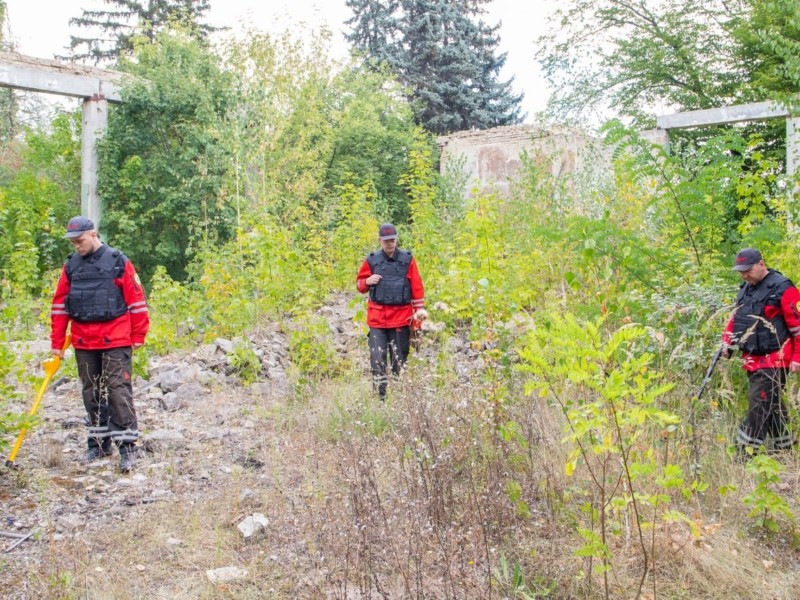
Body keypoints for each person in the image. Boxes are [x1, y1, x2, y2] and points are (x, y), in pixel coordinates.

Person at [50, 216, 149, 472]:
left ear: (93, 234)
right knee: (91, 391)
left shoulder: (117, 261)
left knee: (118, 390)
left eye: (79, 240)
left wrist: (138, 335)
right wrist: (57, 344)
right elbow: (60, 306)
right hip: (84, 341)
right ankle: (97, 444)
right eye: (72, 242)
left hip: (116, 338)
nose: (76, 246)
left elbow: (136, 301)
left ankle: (127, 448)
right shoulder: (71, 266)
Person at [722, 248, 800, 458]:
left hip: (776, 359)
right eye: (740, 271)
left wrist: (797, 357)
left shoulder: (784, 288)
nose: (744, 275)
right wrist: (727, 344)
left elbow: (798, 327)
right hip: (750, 358)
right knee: (771, 403)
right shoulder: (746, 289)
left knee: (759, 404)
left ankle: (744, 453)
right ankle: (784, 449)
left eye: (747, 270)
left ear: (761, 264)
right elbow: (735, 319)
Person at [356, 223, 427, 400]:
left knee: (399, 360)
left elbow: (417, 288)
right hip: (377, 321)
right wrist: (367, 281)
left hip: (401, 320)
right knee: (377, 360)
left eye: (393, 240)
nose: (390, 244)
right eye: (386, 241)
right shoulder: (372, 260)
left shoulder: (408, 260)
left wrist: (419, 317)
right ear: (380, 240)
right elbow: (359, 285)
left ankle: (397, 398)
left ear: (397, 239)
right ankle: (380, 400)